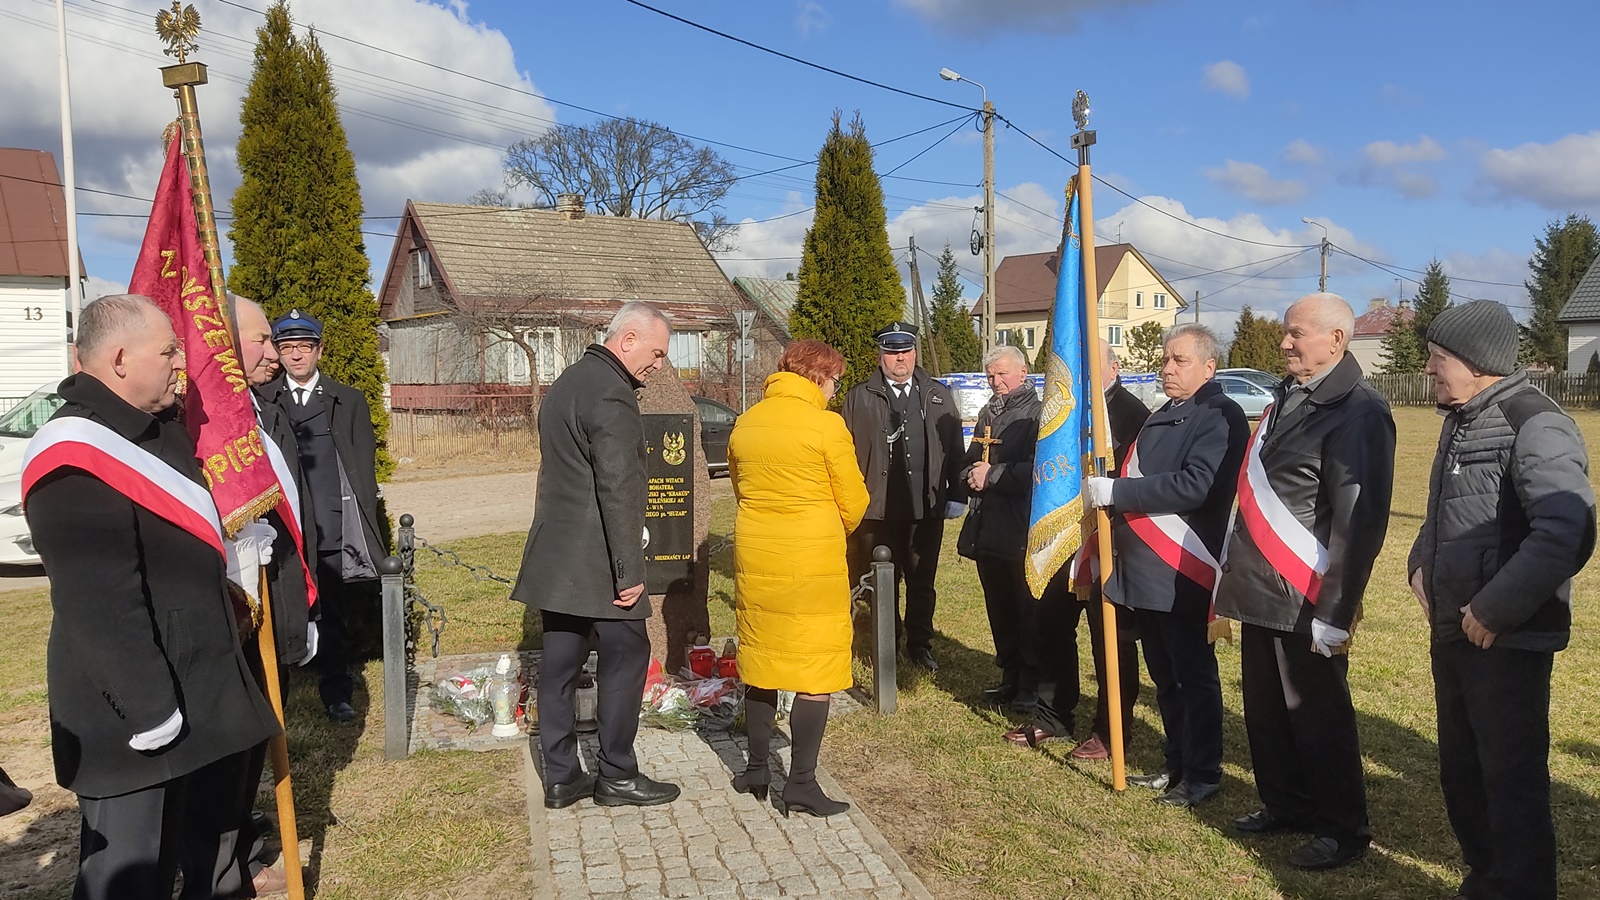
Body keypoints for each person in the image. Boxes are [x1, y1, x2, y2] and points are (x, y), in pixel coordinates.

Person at [23, 294, 280, 900]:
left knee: (213, 863)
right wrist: (151, 712)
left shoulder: (158, 429)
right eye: (168, 351)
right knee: (133, 875)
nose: (180, 363)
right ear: (119, 360)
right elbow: (101, 604)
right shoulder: (74, 456)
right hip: (135, 716)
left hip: (203, 691)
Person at [1409, 300, 1595, 900]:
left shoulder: (1534, 422)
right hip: (1456, 630)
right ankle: (1486, 880)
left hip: (1507, 638)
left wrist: (1493, 609)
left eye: (1438, 357)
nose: (1429, 368)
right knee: (1463, 772)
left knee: (1509, 780)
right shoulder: (1461, 418)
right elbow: (1446, 511)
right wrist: (1420, 564)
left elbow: (1567, 530)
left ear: (1476, 361)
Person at [1214, 292, 1396, 870]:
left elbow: (1358, 522)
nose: (1284, 342)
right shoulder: (1288, 395)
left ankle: (1342, 828)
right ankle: (1285, 803)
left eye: (1296, 333)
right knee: (1266, 711)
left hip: (1306, 592)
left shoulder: (1359, 411)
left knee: (1318, 717)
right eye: (1286, 331)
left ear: (1336, 339)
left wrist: (1336, 611)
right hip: (1262, 588)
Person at [511, 302, 681, 810]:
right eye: (656, 353)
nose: (659, 365)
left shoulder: (569, 381)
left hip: (557, 555)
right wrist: (629, 570)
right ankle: (617, 775)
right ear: (627, 340)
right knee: (627, 657)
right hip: (599, 561)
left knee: (560, 666)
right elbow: (618, 486)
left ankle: (562, 777)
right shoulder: (611, 391)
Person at [1086, 324, 1247, 808]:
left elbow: (1198, 485)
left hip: (1181, 566)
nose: (1168, 368)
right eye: (1164, 359)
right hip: (1145, 570)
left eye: (1180, 360)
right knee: (1165, 677)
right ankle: (1176, 762)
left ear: (1208, 367)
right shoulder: (1166, 411)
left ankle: (1202, 773)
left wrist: (1120, 491)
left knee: (1191, 678)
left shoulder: (1220, 415)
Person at [726, 340, 870, 817]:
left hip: (756, 553)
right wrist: (822, 525)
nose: (834, 391)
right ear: (818, 377)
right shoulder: (826, 426)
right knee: (815, 667)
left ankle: (756, 769)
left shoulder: (746, 422)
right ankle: (802, 783)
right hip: (811, 560)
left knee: (762, 659)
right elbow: (854, 502)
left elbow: (740, 487)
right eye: (835, 382)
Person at [1020, 340, 1150, 755]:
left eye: (1093, 366)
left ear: (1114, 367)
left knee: (1108, 637)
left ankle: (1110, 730)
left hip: (1106, 540)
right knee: (1051, 625)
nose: (1085, 375)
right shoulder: (1067, 409)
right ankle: (1052, 714)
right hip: (1064, 535)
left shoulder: (1133, 414)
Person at [264, 309, 384, 723]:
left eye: (304, 347)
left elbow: (363, 468)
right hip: (286, 527)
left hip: (330, 522)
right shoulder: (264, 401)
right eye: (287, 348)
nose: (296, 356)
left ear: (319, 350)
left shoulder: (347, 400)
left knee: (332, 609)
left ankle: (337, 692)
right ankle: (278, 690)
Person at [842, 321, 967, 671]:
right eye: (892, 352)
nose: (900, 358)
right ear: (880, 356)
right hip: (876, 511)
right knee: (881, 582)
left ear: (914, 353)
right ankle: (887, 643)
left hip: (925, 507)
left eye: (906, 351)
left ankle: (920, 644)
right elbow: (844, 452)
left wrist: (956, 493)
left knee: (921, 580)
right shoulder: (859, 397)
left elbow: (955, 447)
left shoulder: (937, 394)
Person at [954, 346, 1043, 713]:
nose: (996, 381)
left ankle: (1031, 684)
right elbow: (970, 460)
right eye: (990, 375)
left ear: (1023, 373)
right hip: (987, 526)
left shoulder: (1038, 415)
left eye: (1003, 374)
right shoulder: (988, 413)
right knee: (999, 608)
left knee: (1026, 610)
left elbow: (1040, 470)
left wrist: (992, 475)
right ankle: (1010, 675)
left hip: (1020, 527)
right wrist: (970, 475)